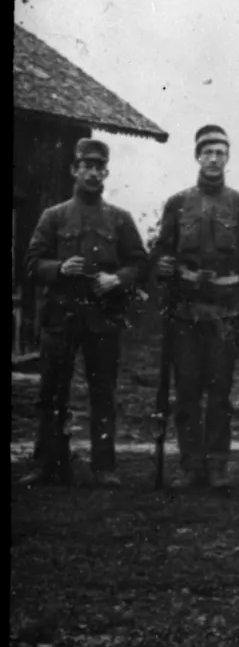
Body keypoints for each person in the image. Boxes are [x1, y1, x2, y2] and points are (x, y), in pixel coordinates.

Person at [22, 138, 148, 487]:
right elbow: (31, 264)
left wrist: (117, 279)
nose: (93, 173)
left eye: (99, 167)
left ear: (106, 172)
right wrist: (60, 268)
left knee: (103, 391)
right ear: (73, 170)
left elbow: (139, 263)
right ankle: (49, 463)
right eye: (86, 166)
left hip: (103, 315)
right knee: (52, 391)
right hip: (61, 317)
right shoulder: (54, 216)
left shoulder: (119, 219)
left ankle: (104, 468)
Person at [150, 124, 239, 489]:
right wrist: (162, 266)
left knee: (219, 392)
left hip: (227, 313)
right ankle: (190, 466)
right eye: (208, 152)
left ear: (227, 158)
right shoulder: (178, 203)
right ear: (197, 156)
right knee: (186, 390)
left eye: (220, 152)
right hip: (185, 311)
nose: (214, 158)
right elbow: (160, 254)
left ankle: (217, 465)